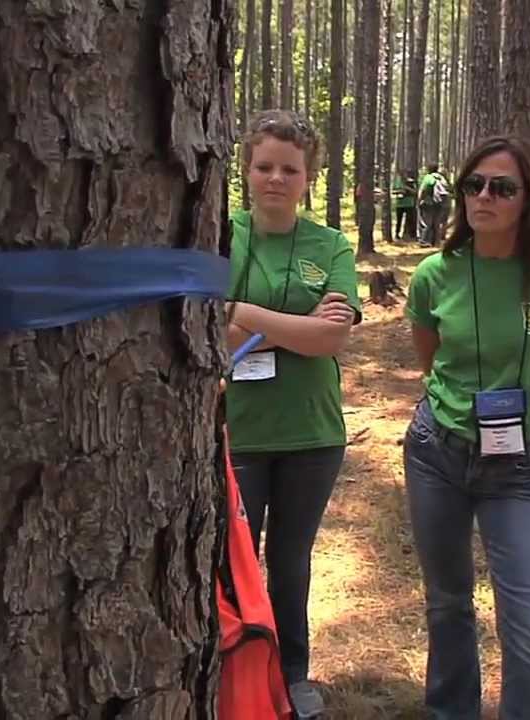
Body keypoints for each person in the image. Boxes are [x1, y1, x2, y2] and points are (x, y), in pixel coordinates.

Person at [403, 135, 530, 719]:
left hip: (517, 466)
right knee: (447, 604)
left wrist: (527, 425)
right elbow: (430, 359)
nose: (484, 196)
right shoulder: (434, 275)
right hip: (436, 453)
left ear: (527, 199)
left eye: (502, 187)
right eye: (474, 184)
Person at [223, 109, 361, 720]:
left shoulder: (330, 245)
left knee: (290, 560)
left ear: (309, 177)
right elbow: (209, 333)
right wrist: (297, 327)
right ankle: (235, 671)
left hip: (312, 431)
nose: (275, 178)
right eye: (264, 166)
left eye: (290, 169)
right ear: (246, 170)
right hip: (240, 430)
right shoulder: (220, 236)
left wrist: (247, 315)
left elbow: (332, 340)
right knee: (235, 560)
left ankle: (295, 675)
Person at [417, 163, 450, 247]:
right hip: (440, 203)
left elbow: (423, 189)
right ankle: (436, 242)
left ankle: (424, 241)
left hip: (428, 202)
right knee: (436, 223)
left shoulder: (428, 177)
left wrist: (419, 200)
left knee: (426, 222)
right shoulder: (441, 177)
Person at [393, 168, 418, 242]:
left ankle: (412, 235)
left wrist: (408, 189)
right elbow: (393, 191)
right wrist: (400, 191)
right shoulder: (397, 181)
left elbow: (415, 192)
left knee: (411, 220)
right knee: (399, 220)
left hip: (409, 203)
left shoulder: (411, 182)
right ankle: (397, 234)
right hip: (400, 204)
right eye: (402, 174)